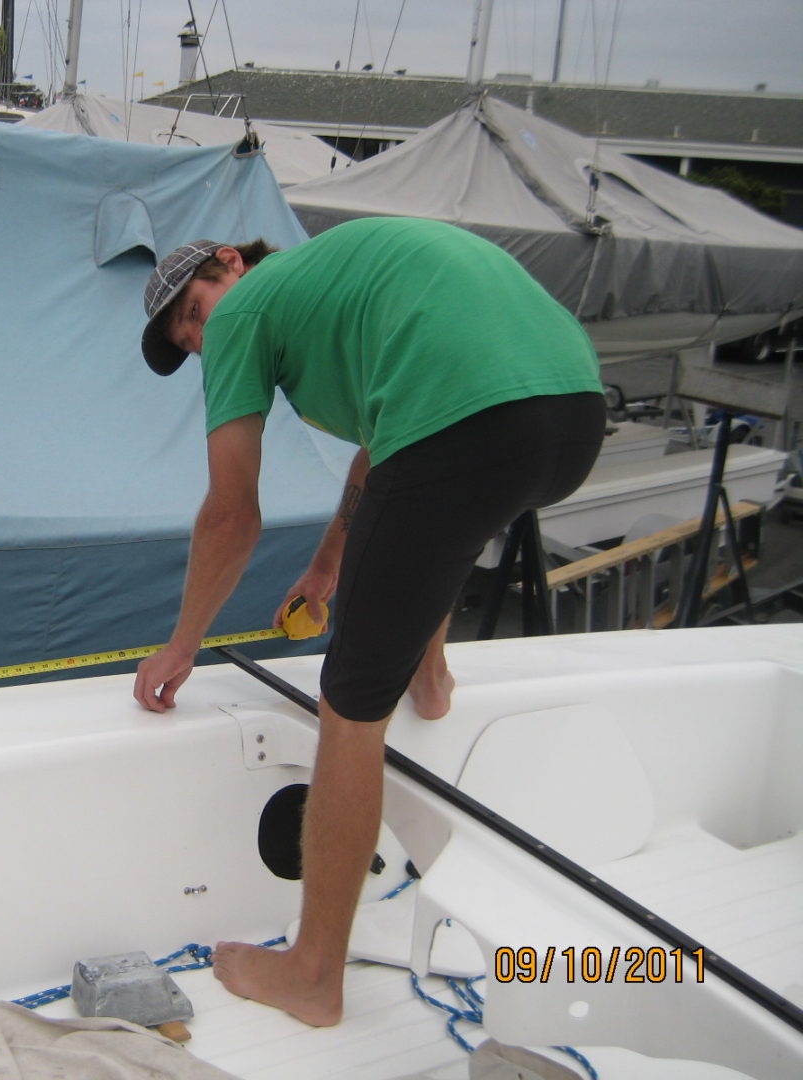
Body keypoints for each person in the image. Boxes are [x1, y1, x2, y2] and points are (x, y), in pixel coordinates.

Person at [131, 218, 604, 1027]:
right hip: (573, 413)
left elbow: (231, 514)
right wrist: (326, 568)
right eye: (189, 339)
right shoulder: (328, 284)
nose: (205, 342)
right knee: (434, 517)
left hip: (468, 419)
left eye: (196, 315)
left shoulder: (247, 313)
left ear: (231, 263)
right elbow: (386, 457)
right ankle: (432, 674)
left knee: (348, 702)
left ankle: (313, 976)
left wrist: (183, 644)